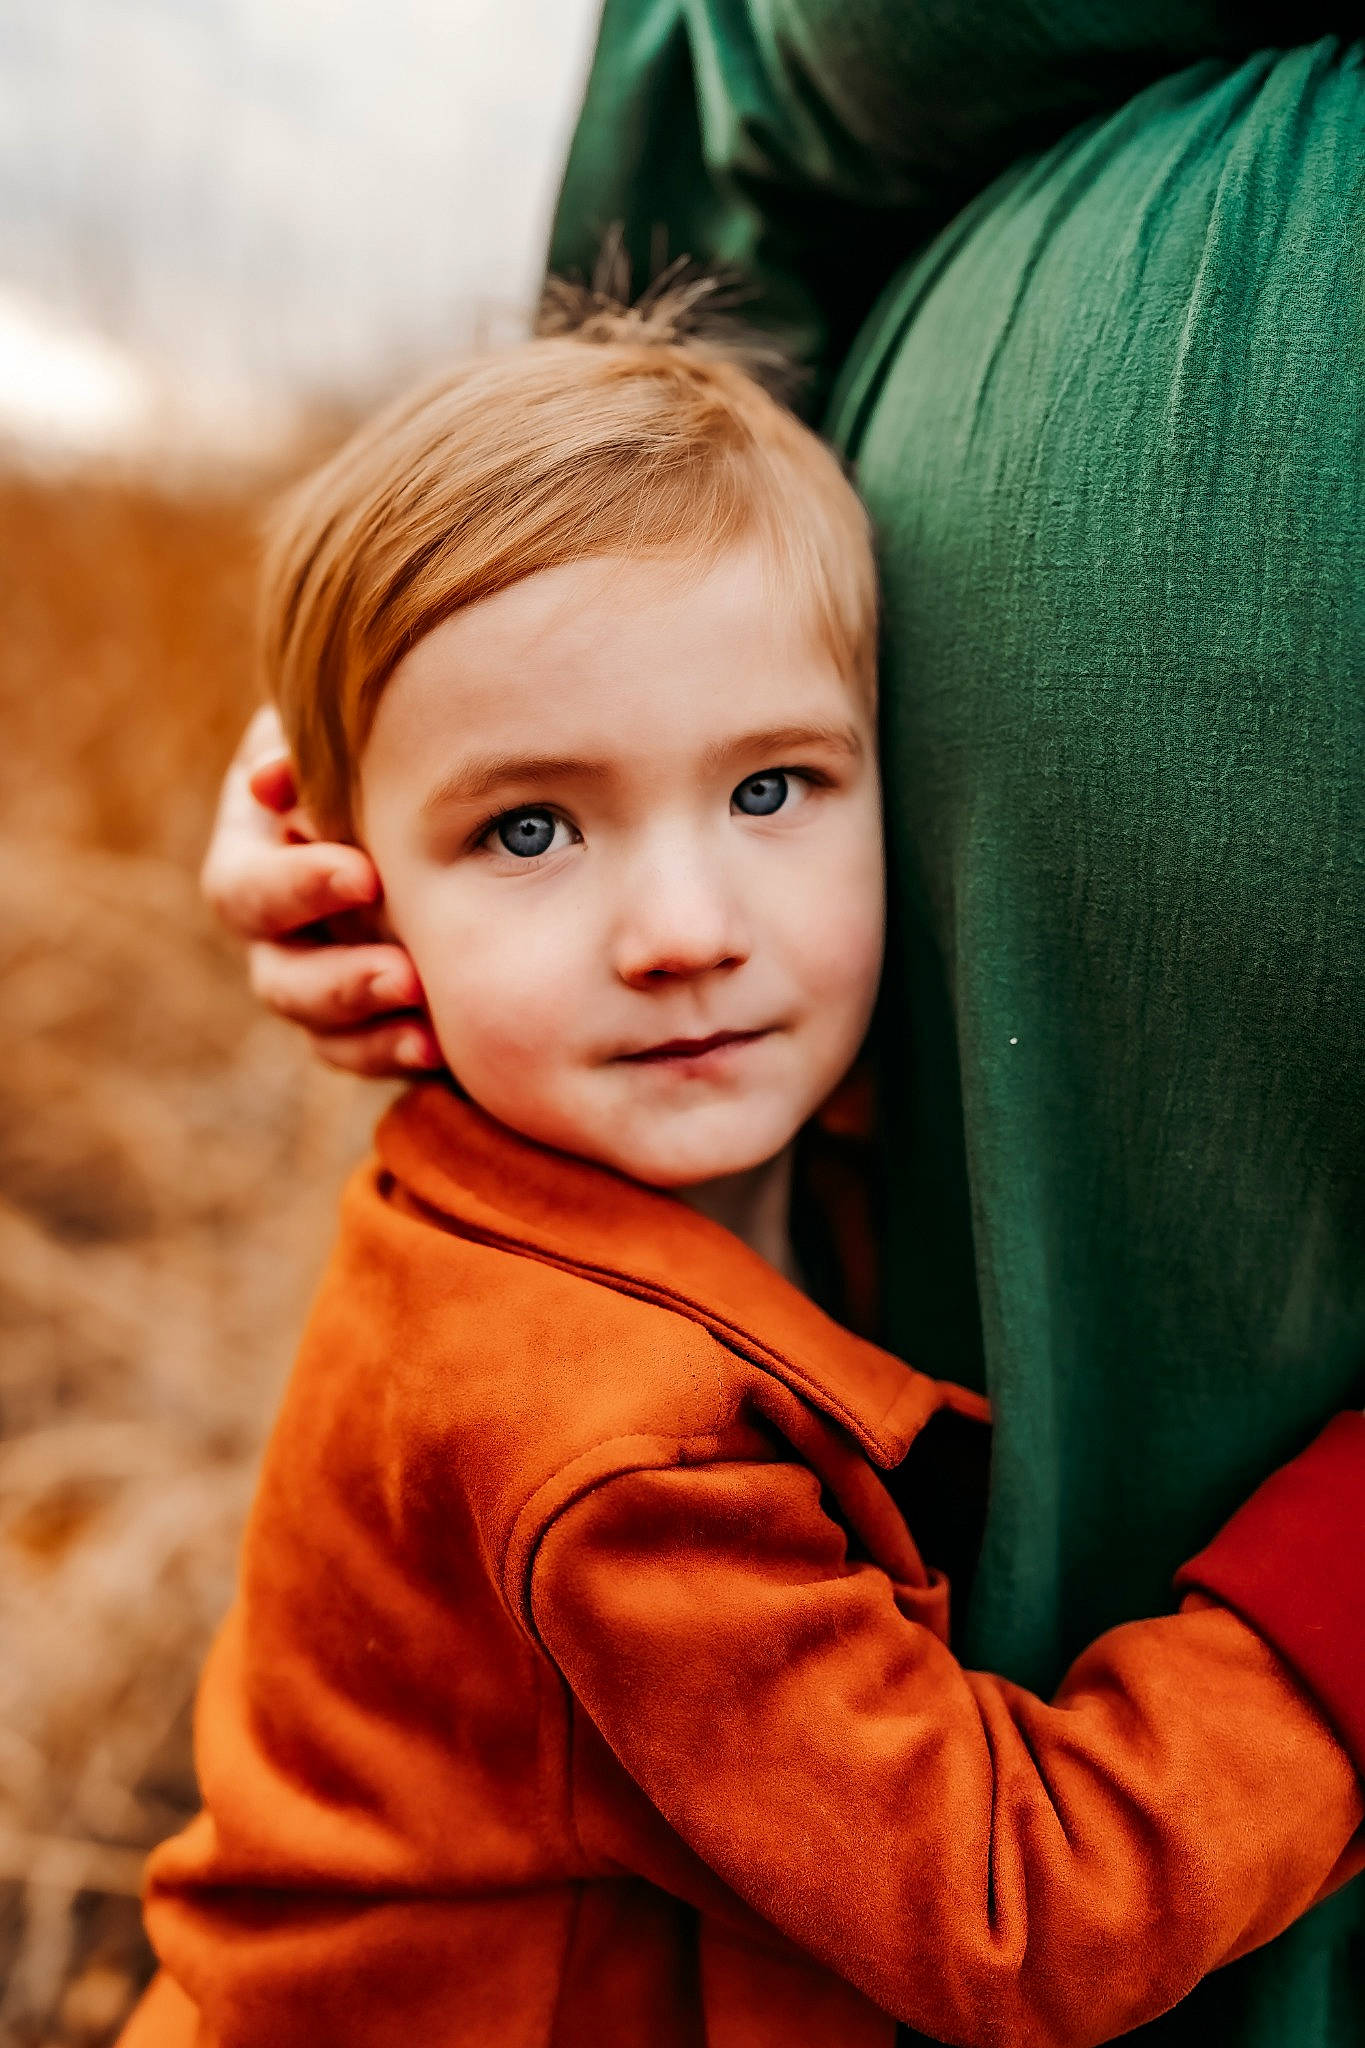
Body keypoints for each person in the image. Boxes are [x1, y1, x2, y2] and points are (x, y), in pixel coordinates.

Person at [203, 15, 1365, 2045]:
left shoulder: (640, 1164)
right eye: (531, 823)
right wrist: (1335, 1608)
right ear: (346, 865)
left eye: (769, 791)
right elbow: (1010, 1915)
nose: (677, 932)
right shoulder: (602, 1442)